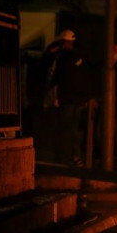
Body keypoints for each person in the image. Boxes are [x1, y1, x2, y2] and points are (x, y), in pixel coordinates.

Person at [49, 29, 91, 167]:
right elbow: (85, 77)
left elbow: (57, 77)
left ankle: (67, 157)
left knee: (66, 128)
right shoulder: (81, 56)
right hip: (79, 99)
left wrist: (49, 90)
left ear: (64, 42)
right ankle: (77, 156)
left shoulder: (62, 57)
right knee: (74, 128)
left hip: (67, 98)